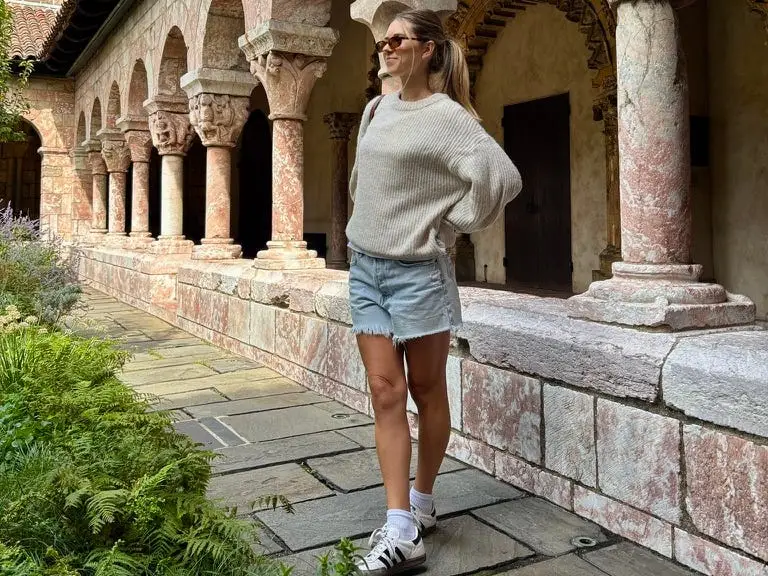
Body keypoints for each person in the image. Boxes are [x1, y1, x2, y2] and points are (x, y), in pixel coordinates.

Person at [345, 8, 523, 575]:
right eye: (383, 41)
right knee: (383, 389)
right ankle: (400, 527)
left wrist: (450, 223)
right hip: (365, 268)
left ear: (426, 49)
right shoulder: (376, 108)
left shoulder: (448, 118)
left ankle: (421, 501)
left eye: (396, 40)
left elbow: (503, 177)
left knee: (426, 390)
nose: (386, 48)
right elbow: (362, 185)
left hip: (418, 274)